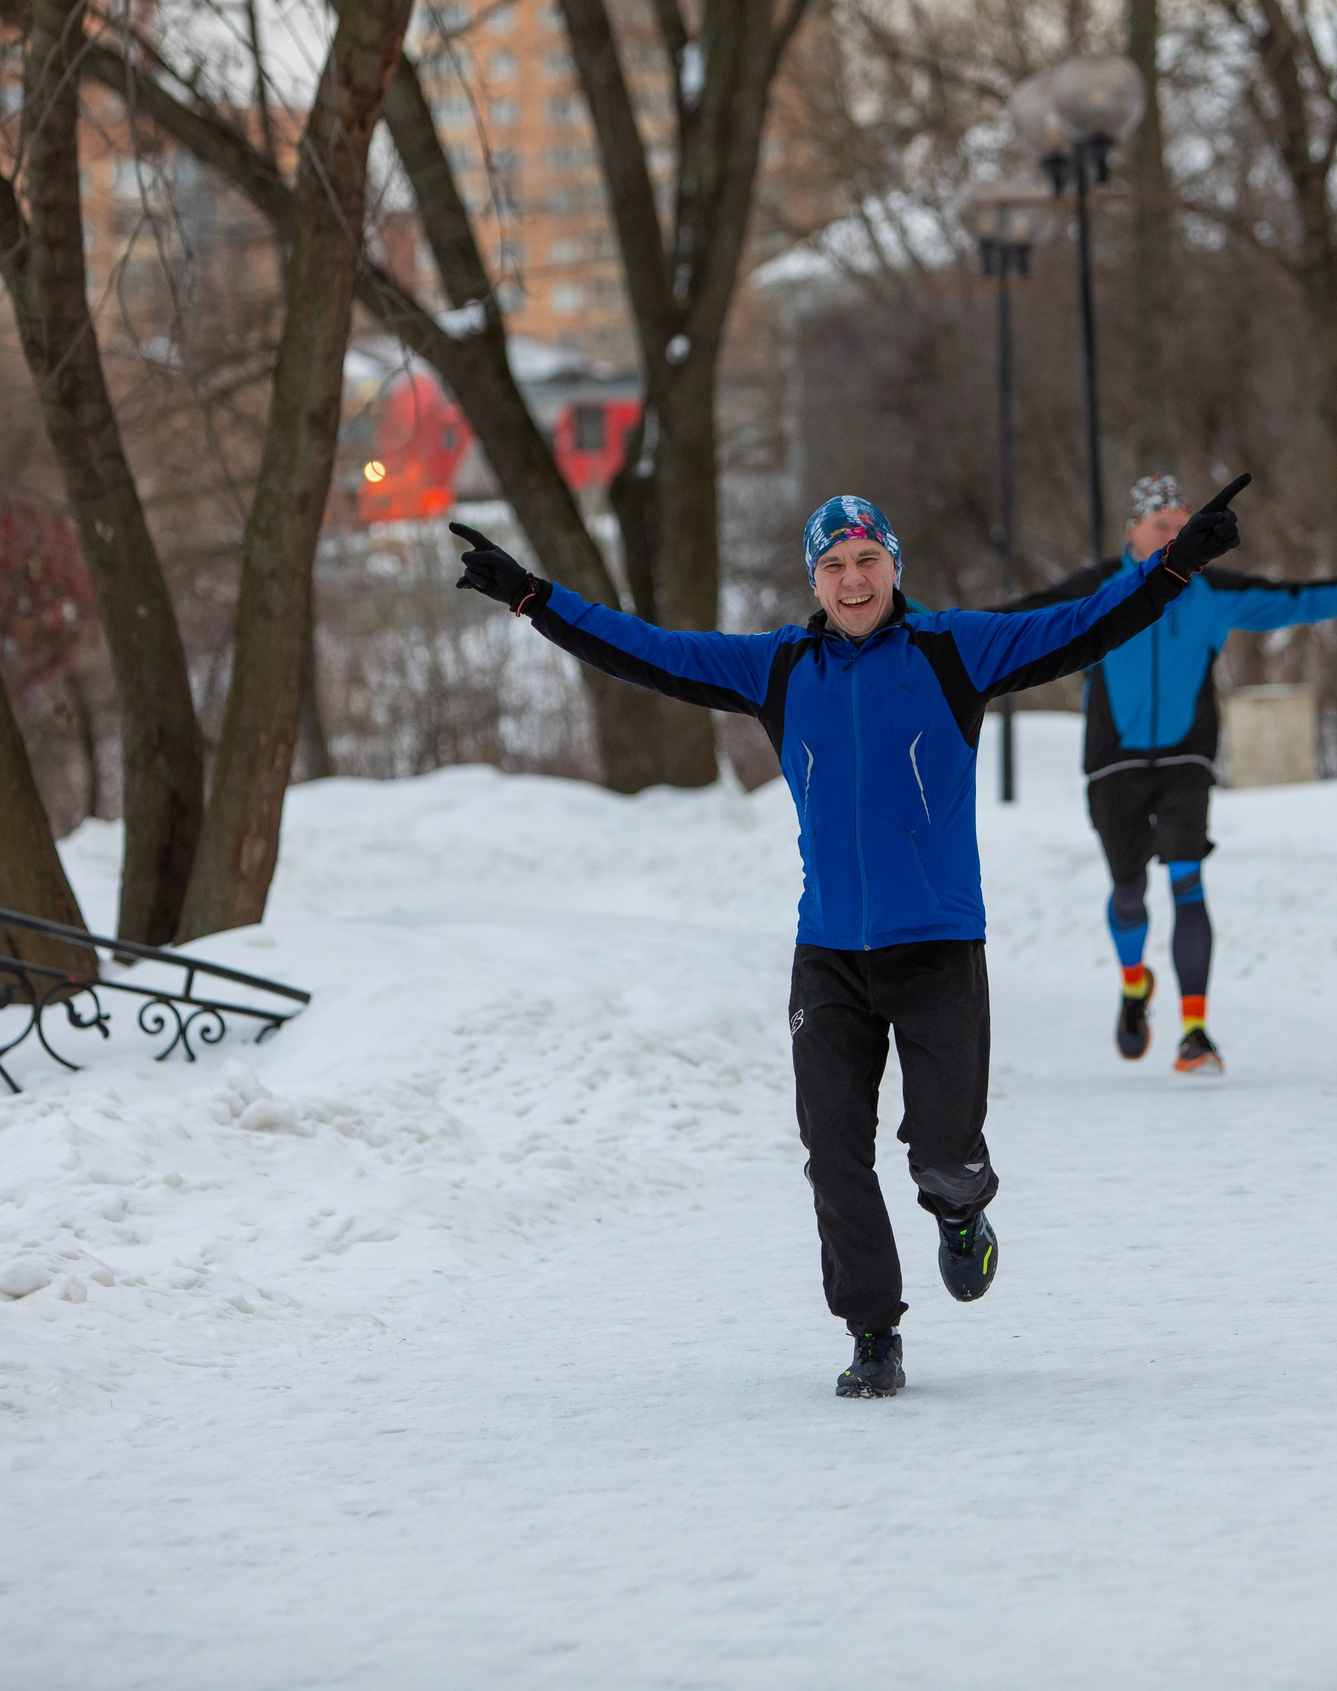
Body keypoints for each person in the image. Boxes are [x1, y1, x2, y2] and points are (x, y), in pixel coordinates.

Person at [451, 476, 1254, 1398]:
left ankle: (961, 1212)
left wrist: (1176, 564)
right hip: (829, 950)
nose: (852, 579)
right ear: (814, 580)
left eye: (867, 559)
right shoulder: (778, 668)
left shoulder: (958, 648)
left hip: (939, 944)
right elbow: (649, 650)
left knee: (943, 1151)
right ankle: (874, 1329)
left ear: (893, 566)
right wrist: (530, 596)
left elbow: (1087, 622)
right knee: (832, 1148)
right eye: (833, 566)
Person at [998, 475, 1337, 1076]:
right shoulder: (1098, 588)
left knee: (1186, 881)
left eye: (1184, 526)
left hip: (1185, 759)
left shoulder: (1214, 592)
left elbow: (1299, 601)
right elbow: (1013, 619)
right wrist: (921, 623)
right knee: (1128, 894)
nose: (1178, 536)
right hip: (1113, 762)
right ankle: (1134, 984)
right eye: (1164, 527)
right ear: (1133, 531)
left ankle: (1195, 1031)